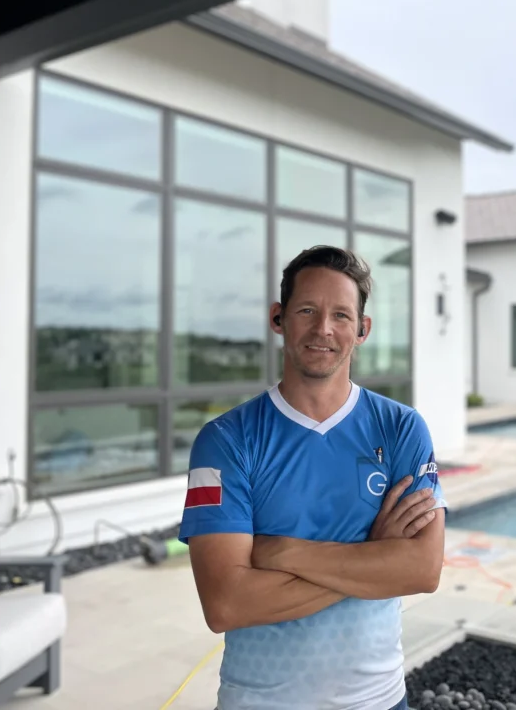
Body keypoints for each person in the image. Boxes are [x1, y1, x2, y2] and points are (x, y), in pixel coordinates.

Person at [177, 245, 447, 710]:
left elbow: (421, 570)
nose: (324, 329)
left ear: (362, 330)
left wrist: (279, 551)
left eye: (341, 315)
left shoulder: (401, 428)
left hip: (380, 702)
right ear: (278, 318)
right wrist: (374, 557)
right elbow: (225, 605)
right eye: (307, 310)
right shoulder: (225, 440)